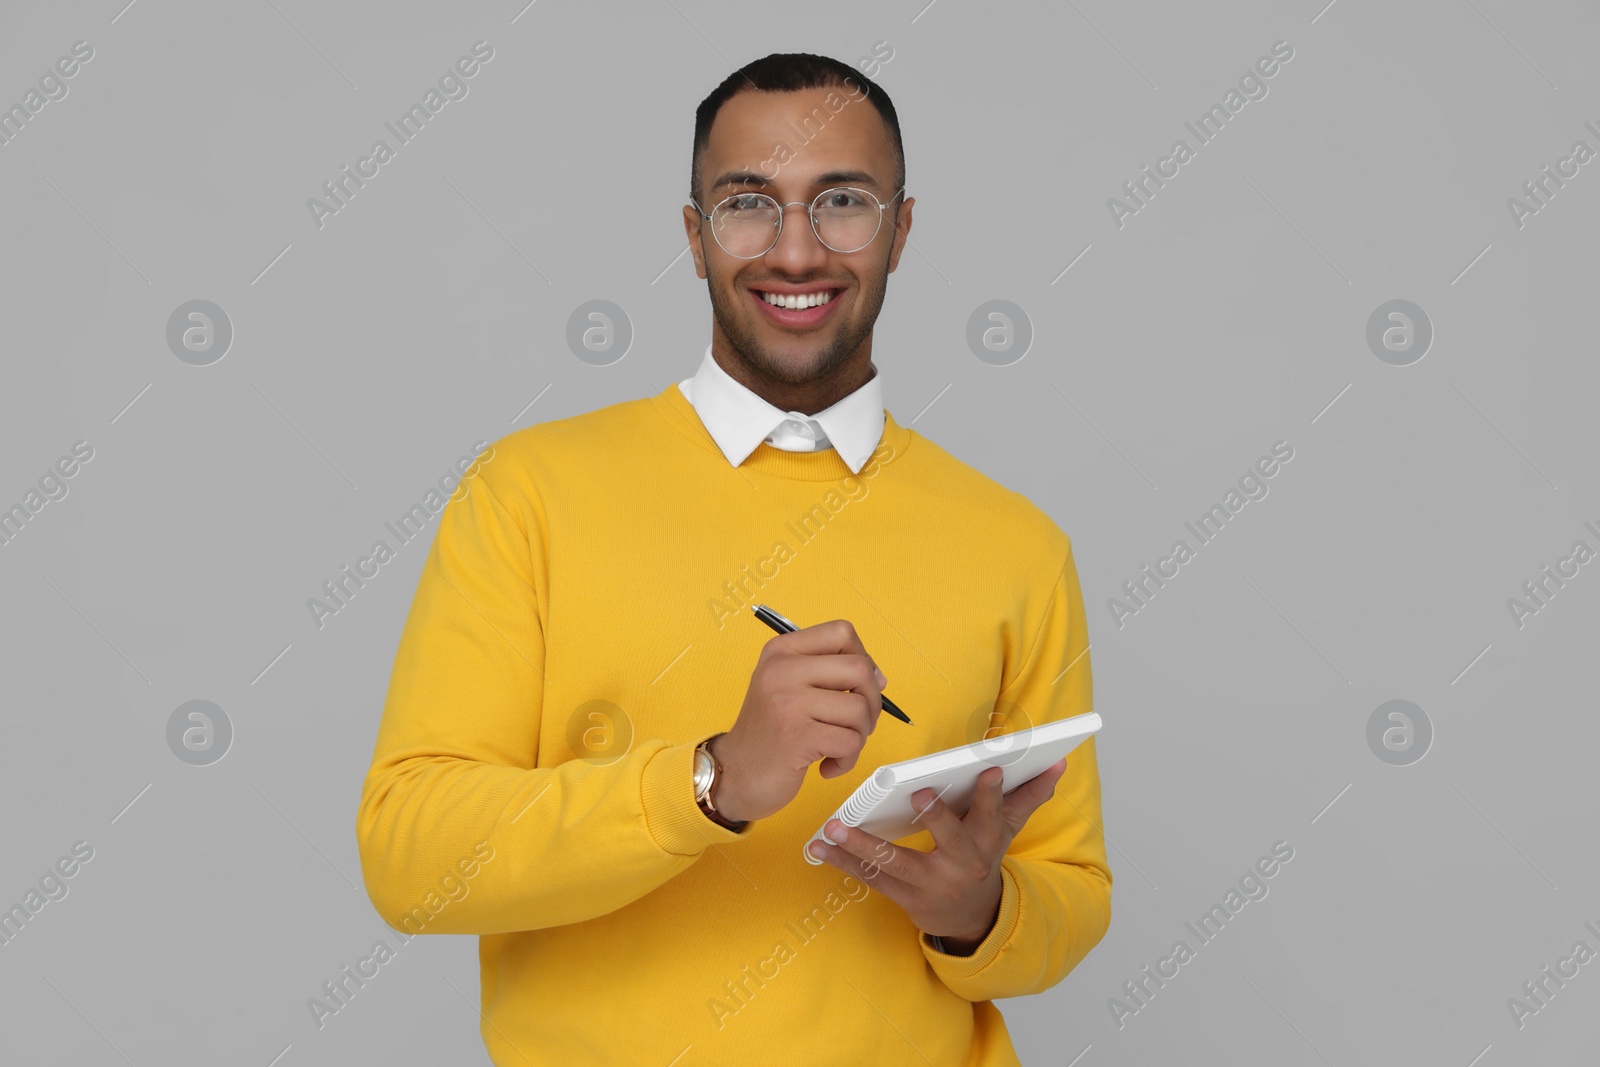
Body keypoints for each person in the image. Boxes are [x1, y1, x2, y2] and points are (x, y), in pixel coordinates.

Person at [356, 50, 1111, 1066]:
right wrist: (712, 780)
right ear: (692, 235)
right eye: (748, 204)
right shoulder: (528, 491)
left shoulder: (1015, 542)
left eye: (841, 201)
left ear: (901, 229)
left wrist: (978, 910)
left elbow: (1071, 892)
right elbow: (411, 858)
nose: (795, 252)